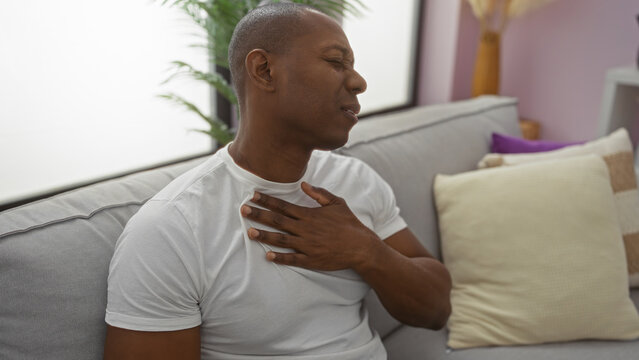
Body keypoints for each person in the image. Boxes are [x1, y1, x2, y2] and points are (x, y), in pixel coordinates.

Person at [103, 3, 451, 359]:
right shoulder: (171, 229)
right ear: (264, 70)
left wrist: (365, 250)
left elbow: (437, 310)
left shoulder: (355, 180)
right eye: (336, 62)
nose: (359, 82)